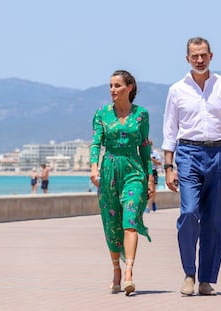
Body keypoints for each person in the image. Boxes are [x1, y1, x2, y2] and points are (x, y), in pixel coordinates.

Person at [162, 37, 221, 296]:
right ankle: (189, 272)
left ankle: (206, 279)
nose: (199, 60)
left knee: (213, 220)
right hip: (188, 152)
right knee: (189, 213)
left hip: (218, 153)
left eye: (203, 55)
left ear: (211, 56)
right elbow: (170, 131)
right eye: (194, 56)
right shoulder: (176, 90)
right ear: (187, 59)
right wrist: (168, 166)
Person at [89, 70, 154, 296]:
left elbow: (145, 146)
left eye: (117, 86)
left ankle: (128, 273)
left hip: (134, 171)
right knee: (112, 225)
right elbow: (96, 143)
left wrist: (151, 176)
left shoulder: (141, 115)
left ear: (130, 88)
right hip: (109, 172)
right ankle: (116, 270)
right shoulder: (102, 114)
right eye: (110, 86)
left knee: (130, 221)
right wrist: (94, 166)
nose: (112, 90)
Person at [146, 139, 161, 212]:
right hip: (146, 171)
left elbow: (159, 163)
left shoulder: (155, 153)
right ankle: (147, 207)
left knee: (153, 190)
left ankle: (153, 202)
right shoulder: (144, 153)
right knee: (147, 189)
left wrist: (152, 159)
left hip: (153, 171)